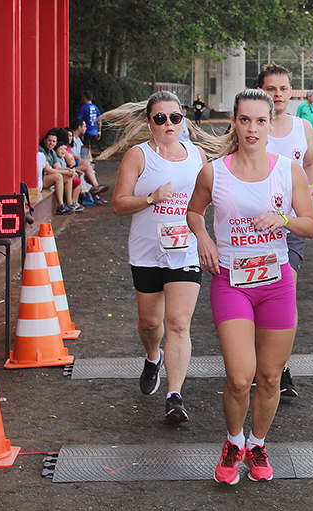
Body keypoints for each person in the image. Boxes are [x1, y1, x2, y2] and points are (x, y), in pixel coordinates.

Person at [187, 89, 313, 484]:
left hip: (276, 282)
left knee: (271, 377)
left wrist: (283, 219)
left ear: (269, 125)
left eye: (261, 121)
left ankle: (256, 444)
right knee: (241, 376)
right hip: (232, 282)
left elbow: (310, 226)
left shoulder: (288, 169)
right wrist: (204, 239)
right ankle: (233, 440)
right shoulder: (215, 171)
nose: (253, 128)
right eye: (245, 120)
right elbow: (194, 211)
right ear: (235, 122)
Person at [111, 91, 206, 423]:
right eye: (160, 118)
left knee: (178, 322)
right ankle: (153, 356)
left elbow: (210, 199)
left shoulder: (197, 156)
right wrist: (151, 198)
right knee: (150, 323)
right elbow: (119, 204)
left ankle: (174, 395)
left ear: (184, 119)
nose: (168, 124)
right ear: (149, 122)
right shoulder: (138, 156)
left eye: (175, 118)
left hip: (185, 250)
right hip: (147, 251)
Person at [260, 62, 313, 397]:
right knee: (257, 295)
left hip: (291, 226)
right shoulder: (252, 127)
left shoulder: (302, 127)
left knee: (285, 293)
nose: (279, 95)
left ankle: (280, 369)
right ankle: (260, 364)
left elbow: (311, 163)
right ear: (261, 91)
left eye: (283, 88)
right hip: (252, 228)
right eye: (271, 88)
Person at [39, 129, 78, 215]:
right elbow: (48, 170)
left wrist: (69, 171)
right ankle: (61, 206)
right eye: (49, 140)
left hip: (47, 177)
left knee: (68, 177)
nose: (51, 143)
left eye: (54, 141)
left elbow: (58, 167)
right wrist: (65, 172)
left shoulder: (52, 152)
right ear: (45, 140)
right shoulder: (41, 150)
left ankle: (69, 203)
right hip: (41, 179)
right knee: (58, 177)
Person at [78, 90, 102, 154]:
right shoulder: (95, 107)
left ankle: (88, 160)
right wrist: (99, 131)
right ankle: (90, 160)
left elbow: (79, 120)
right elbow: (99, 120)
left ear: (84, 98)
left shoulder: (83, 108)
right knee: (91, 148)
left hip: (87, 131)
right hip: (94, 132)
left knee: (86, 148)